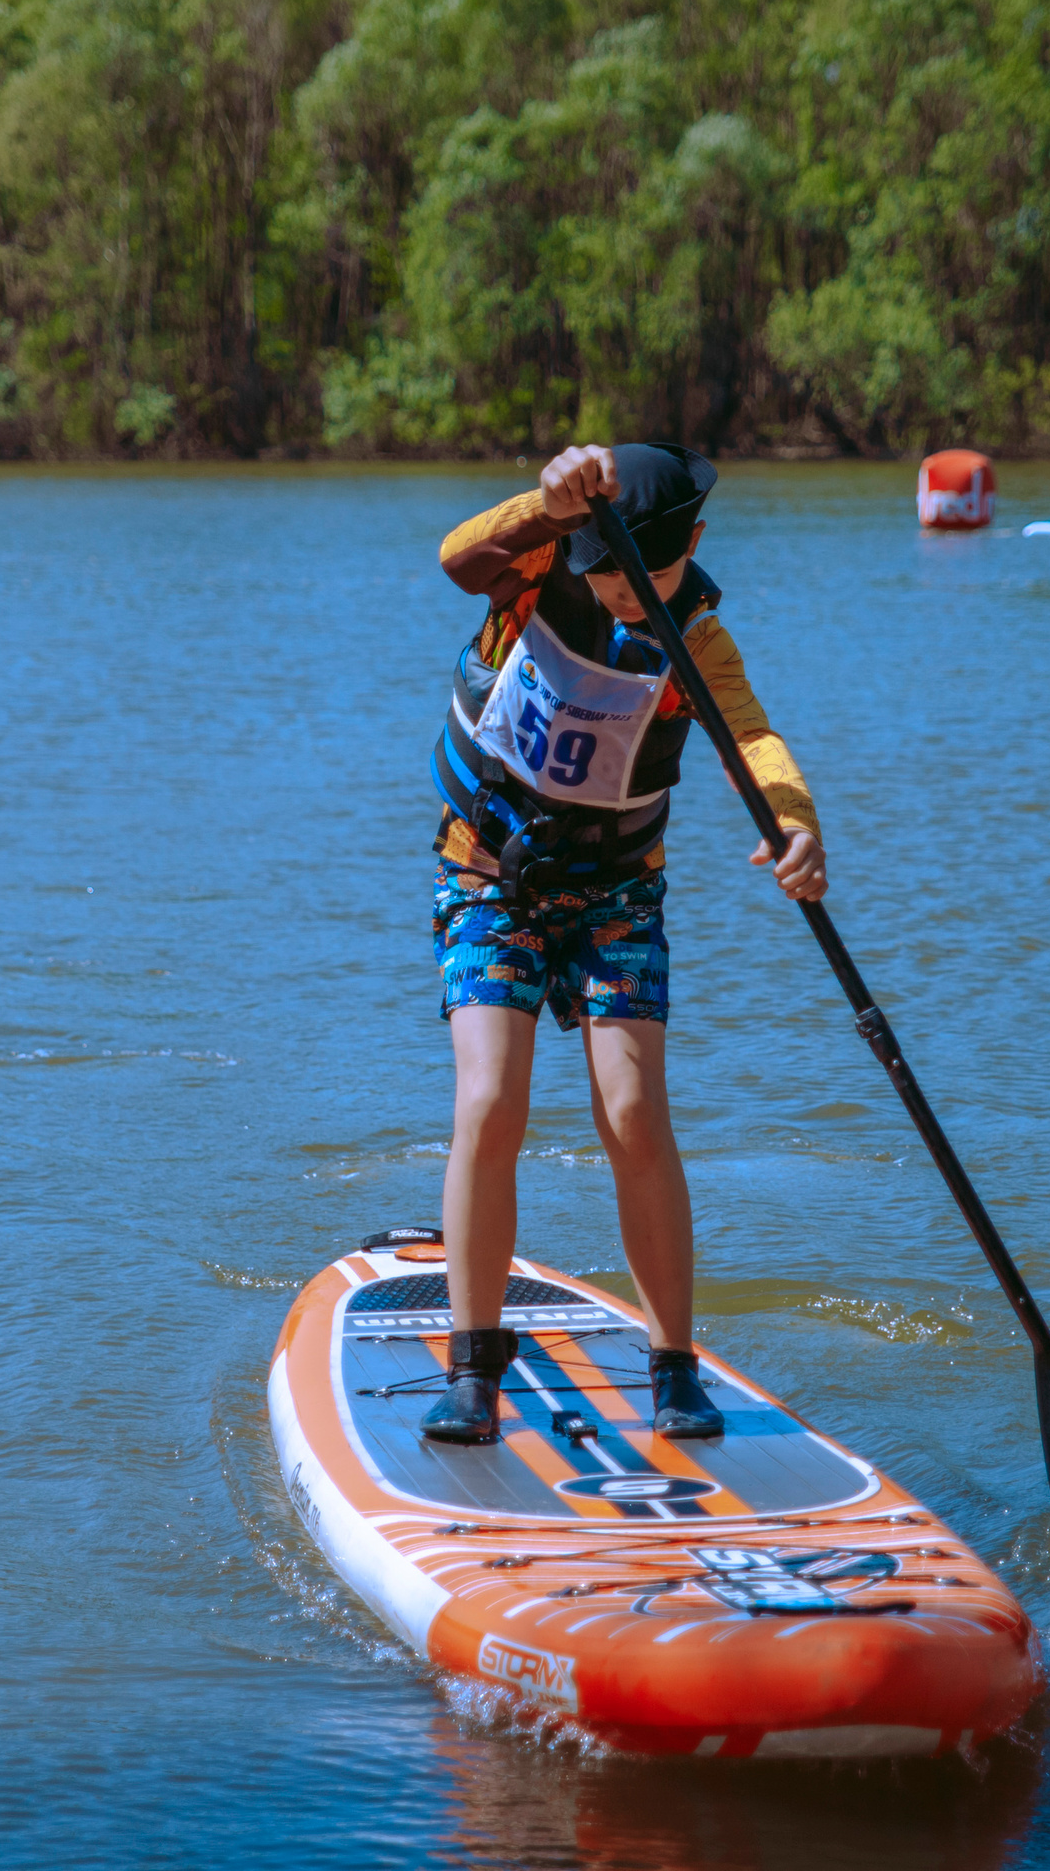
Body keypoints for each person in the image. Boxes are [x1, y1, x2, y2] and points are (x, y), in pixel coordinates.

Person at [421, 442, 827, 1445]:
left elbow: (754, 742)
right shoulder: (535, 570)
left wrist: (793, 821)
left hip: (616, 895)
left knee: (635, 1110)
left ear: (690, 544)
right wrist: (549, 505)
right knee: (490, 1098)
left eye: (646, 570)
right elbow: (457, 556)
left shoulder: (696, 641)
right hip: (492, 878)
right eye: (607, 569)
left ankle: (673, 1369)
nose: (622, 591)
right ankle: (474, 1365)